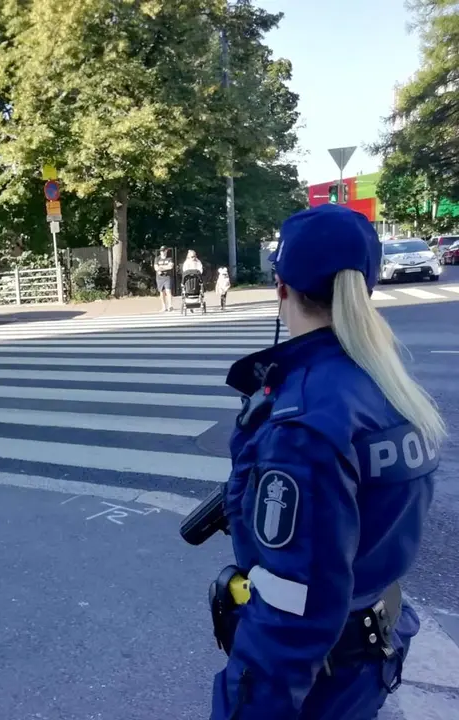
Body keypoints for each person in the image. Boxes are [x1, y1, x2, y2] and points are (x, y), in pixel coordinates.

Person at [209, 204, 446, 719]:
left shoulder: (306, 422)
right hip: (369, 656)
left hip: (319, 681)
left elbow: (294, 605)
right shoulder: (389, 387)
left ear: (281, 288)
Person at [153, 246, 175, 312]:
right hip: (160, 277)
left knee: (168, 290)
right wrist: (165, 267)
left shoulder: (169, 259)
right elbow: (156, 268)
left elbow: (170, 266)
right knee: (161, 292)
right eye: (161, 251)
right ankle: (163, 306)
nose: (162, 252)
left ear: (166, 251)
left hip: (167, 277)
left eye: (163, 250)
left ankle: (170, 306)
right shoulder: (157, 259)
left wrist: (161, 267)